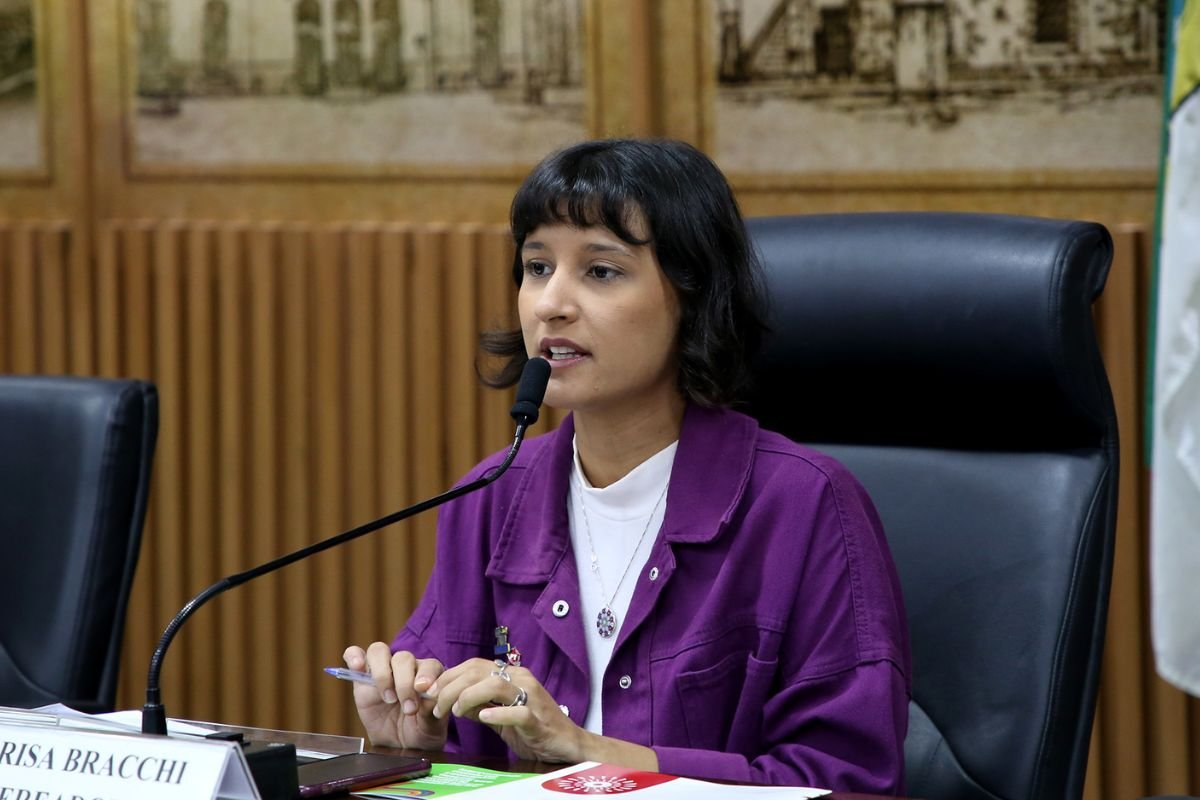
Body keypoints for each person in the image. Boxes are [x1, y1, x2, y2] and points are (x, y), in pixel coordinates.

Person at [342, 139, 910, 793]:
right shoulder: (491, 497)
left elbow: (847, 781)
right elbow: (475, 756)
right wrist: (418, 742)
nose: (549, 303)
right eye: (535, 266)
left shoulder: (805, 505)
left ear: (691, 298)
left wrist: (586, 750)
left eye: (601, 271)